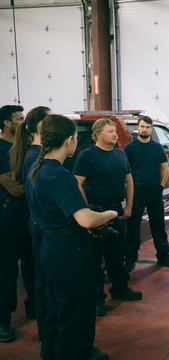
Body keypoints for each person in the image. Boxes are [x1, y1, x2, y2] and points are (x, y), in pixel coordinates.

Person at [26, 114, 112, 360]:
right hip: (69, 250)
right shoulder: (60, 175)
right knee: (76, 312)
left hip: (48, 246)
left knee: (55, 307)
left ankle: (51, 352)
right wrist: (108, 213)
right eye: (75, 138)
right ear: (69, 140)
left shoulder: (36, 168)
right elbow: (85, 219)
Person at [73, 118, 142, 317]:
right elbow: (77, 184)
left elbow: (129, 181)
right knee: (95, 258)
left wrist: (128, 206)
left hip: (116, 211)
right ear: (98, 134)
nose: (115, 134)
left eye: (115, 131)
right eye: (111, 131)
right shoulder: (87, 156)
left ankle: (120, 289)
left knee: (117, 253)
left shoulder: (120, 154)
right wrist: (87, 211)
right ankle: (96, 300)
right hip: (96, 211)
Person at [10, 106, 51, 347]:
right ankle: (48, 339)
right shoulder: (36, 159)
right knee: (45, 283)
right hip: (41, 226)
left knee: (42, 280)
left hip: (38, 223)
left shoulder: (35, 155)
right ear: (40, 127)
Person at [124, 115, 169, 272]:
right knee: (132, 226)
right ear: (137, 128)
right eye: (142, 127)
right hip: (136, 192)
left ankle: (163, 256)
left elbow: (165, 167)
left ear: (151, 129)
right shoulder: (129, 148)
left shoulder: (157, 147)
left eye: (148, 127)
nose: (145, 130)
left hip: (154, 191)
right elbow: (125, 171)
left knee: (158, 225)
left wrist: (161, 185)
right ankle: (130, 258)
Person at [0, 105, 26, 342]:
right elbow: (13, 187)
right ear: (8, 123)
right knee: (8, 267)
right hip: (7, 214)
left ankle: (35, 306)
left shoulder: (22, 147)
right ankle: (3, 320)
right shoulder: (0, 149)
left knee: (31, 262)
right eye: (19, 118)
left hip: (25, 212)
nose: (23, 121)